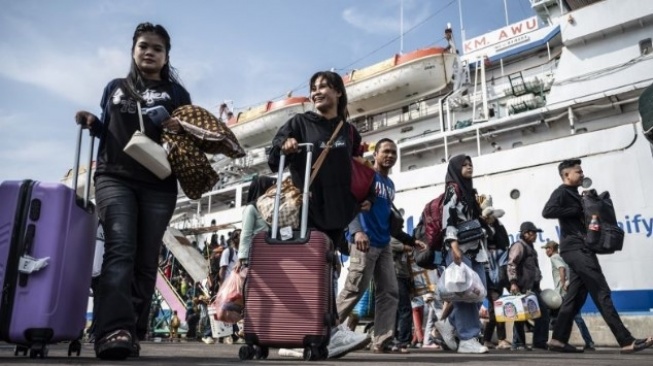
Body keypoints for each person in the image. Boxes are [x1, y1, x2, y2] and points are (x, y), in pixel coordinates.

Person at [75, 22, 191, 360]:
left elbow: (188, 141)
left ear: (166, 55)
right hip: (115, 176)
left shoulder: (177, 94)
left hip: (159, 181)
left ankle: (133, 329)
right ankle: (112, 330)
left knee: (144, 259)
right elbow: (110, 130)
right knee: (120, 248)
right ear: (133, 50)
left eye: (157, 48)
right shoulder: (115, 87)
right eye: (143, 46)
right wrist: (92, 123)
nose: (149, 52)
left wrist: (177, 126)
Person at [268, 70, 369, 358]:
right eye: (314, 87)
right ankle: (328, 331)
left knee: (329, 269)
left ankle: (304, 334)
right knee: (315, 270)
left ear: (338, 92)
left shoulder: (348, 131)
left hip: (338, 211)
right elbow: (273, 159)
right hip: (308, 208)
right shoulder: (300, 123)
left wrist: (365, 198)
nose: (317, 91)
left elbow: (358, 168)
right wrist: (284, 146)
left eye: (324, 86)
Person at [542, 158, 653, 353]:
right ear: (566, 175)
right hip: (576, 249)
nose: (582, 174)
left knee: (574, 297)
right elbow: (548, 211)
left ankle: (558, 339)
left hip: (578, 248)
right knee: (601, 292)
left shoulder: (576, 194)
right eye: (578, 172)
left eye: (582, 171)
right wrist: (576, 209)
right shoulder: (561, 192)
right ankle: (626, 340)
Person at [341, 139, 425, 353]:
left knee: (389, 291)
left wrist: (410, 240)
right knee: (355, 288)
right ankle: (321, 331)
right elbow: (350, 203)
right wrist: (356, 230)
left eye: (393, 152)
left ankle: (382, 340)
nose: (390, 155)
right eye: (385, 151)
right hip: (364, 241)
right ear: (375, 154)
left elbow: (388, 219)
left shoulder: (390, 185)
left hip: (384, 242)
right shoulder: (367, 176)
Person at [435, 154, 489, 354]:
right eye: (464, 165)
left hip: (476, 250)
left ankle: (449, 325)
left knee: (477, 293)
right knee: (466, 295)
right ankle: (468, 338)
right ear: (456, 169)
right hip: (460, 248)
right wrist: (454, 245)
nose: (469, 167)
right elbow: (447, 218)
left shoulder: (469, 192)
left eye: (470, 164)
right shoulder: (453, 189)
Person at [542, 240, 595, 350]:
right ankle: (555, 342)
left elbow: (561, 269)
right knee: (558, 318)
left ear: (551, 249)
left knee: (574, 317)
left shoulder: (554, 257)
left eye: (547, 249)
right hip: (566, 291)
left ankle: (588, 342)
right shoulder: (562, 257)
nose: (546, 251)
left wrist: (563, 283)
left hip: (563, 294)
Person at [506, 221, 550, 350]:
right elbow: (511, 264)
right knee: (520, 315)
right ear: (525, 233)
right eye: (533, 233)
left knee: (541, 314)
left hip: (533, 287)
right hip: (522, 287)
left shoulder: (529, 247)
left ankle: (539, 343)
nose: (535, 235)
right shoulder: (519, 246)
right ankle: (519, 343)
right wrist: (513, 283)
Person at [235, 175, 276, 270]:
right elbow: (246, 233)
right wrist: (242, 258)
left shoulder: (268, 208)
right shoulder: (251, 208)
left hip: (267, 252)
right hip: (254, 255)